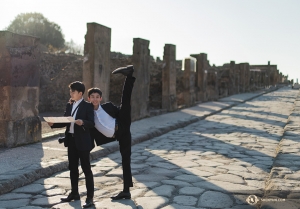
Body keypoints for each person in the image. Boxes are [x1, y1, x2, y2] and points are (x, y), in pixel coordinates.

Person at [88, 65, 135, 200]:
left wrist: (124, 115)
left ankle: (129, 75)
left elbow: (118, 113)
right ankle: (126, 191)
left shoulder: (107, 106)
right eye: (93, 97)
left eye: (97, 96)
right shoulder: (88, 114)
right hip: (120, 135)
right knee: (126, 161)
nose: (95, 99)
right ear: (89, 98)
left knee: (125, 101)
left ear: (100, 98)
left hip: (122, 123)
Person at [48, 81, 95, 208]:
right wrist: (53, 124)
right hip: (71, 141)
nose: (71, 94)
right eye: (70, 91)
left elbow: (92, 123)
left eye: (73, 92)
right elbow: (65, 120)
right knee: (73, 169)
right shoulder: (70, 105)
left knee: (86, 169)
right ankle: (74, 193)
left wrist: (82, 122)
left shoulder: (87, 106)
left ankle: (90, 198)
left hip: (83, 141)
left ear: (80, 93)